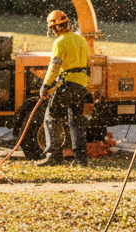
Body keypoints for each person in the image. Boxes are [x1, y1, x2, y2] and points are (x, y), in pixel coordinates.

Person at [34, 9, 90, 166]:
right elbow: (86, 65)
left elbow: (55, 66)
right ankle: (81, 160)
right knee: (76, 123)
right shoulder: (81, 40)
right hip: (81, 86)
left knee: (51, 117)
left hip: (68, 85)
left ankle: (54, 156)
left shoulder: (60, 42)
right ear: (67, 24)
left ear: (54, 28)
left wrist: (45, 86)